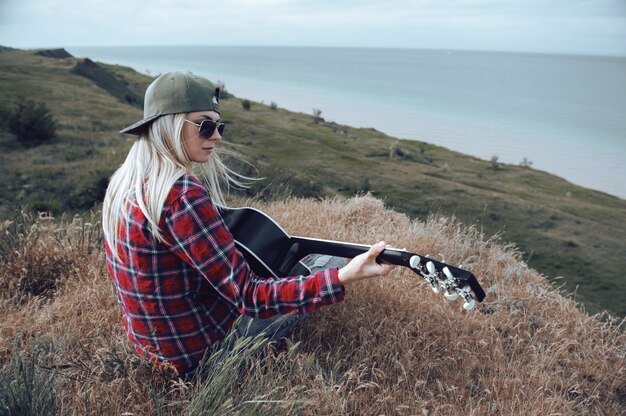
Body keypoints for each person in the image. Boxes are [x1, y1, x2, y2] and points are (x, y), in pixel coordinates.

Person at [102, 71, 395, 377]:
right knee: (328, 263)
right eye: (205, 126)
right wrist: (345, 275)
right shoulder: (182, 196)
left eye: (219, 126)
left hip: (152, 348)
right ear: (170, 125)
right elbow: (250, 297)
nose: (216, 136)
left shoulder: (126, 185)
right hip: (201, 359)